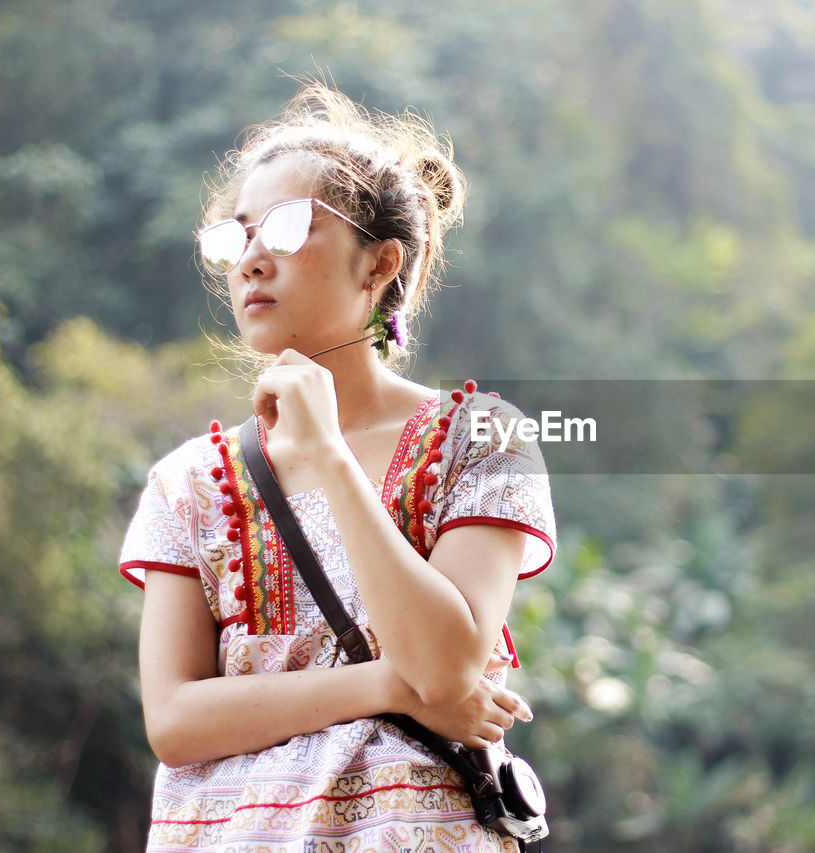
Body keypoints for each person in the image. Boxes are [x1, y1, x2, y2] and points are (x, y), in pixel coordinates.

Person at [118, 83, 555, 852]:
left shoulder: (480, 438)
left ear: (380, 263)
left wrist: (327, 453)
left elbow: (448, 664)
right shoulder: (186, 483)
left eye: (286, 229)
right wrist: (388, 686)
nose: (252, 258)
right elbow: (176, 722)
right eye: (235, 237)